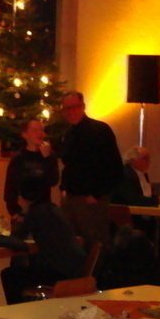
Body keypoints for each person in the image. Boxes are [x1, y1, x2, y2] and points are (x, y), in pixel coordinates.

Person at [0, 176, 86, 304]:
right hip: (74, 270)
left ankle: (16, 310)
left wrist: (21, 217)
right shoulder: (53, 209)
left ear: (27, 196)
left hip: (58, 273)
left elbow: (16, 239)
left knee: (9, 275)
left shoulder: (35, 213)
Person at [58, 91, 122, 247]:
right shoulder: (68, 134)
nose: (70, 112)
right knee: (72, 242)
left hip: (91, 199)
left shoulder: (99, 130)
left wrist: (97, 193)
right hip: (71, 198)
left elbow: (114, 166)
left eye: (74, 107)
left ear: (83, 107)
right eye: (67, 108)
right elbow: (70, 165)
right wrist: (64, 189)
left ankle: (98, 265)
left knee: (94, 243)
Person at [112, 146, 160, 261]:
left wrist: (159, 199)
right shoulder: (124, 174)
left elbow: (144, 196)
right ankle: (151, 264)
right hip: (129, 219)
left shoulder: (143, 175)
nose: (148, 162)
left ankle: (153, 263)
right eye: (145, 158)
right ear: (133, 159)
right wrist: (158, 200)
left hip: (142, 217)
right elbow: (133, 199)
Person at [3, 118, 59, 223]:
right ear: (25, 134)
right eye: (35, 130)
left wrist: (47, 158)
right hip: (22, 213)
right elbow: (10, 188)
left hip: (43, 212)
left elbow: (53, 181)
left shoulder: (49, 155)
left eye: (41, 130)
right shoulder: (19, 158)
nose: (40, 133)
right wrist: (15, 212)